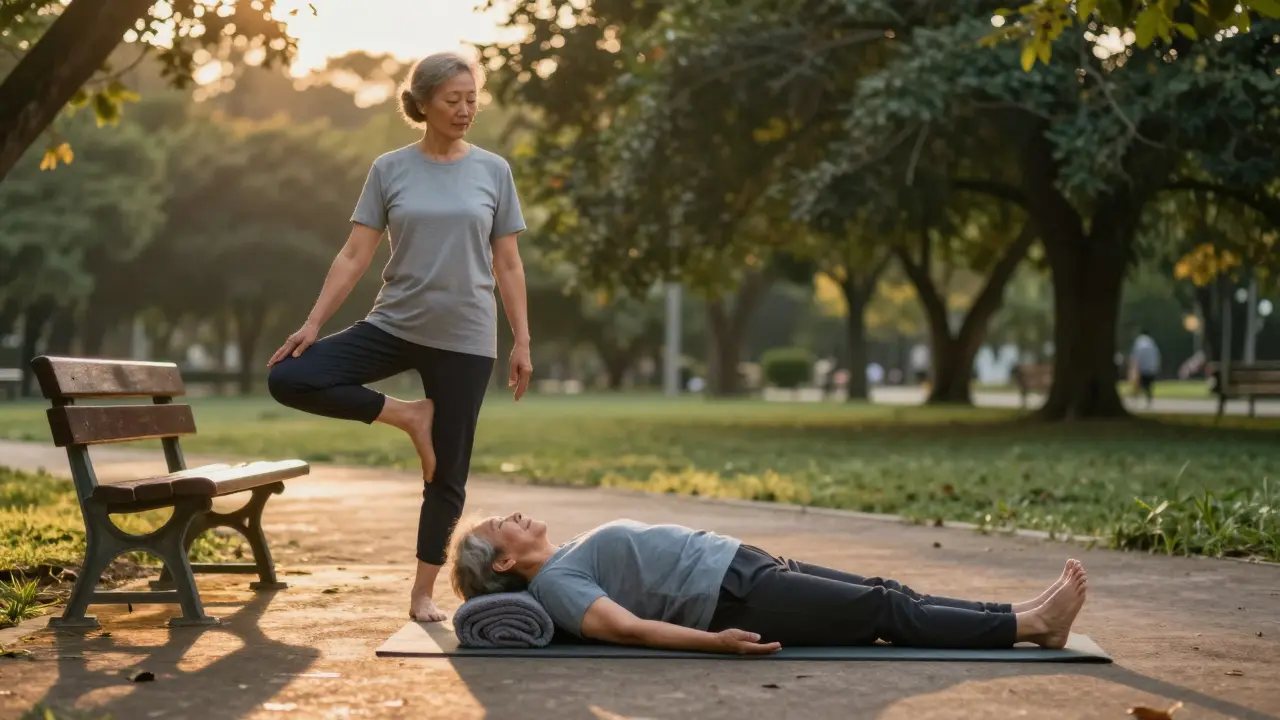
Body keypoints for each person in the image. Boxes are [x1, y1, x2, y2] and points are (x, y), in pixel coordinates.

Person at [265, 50, 532, 623]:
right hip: (394, 323)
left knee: (447, 473)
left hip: (466, 336)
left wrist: (522, 341)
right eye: (452, 100)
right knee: (289, 376)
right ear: (423, 104)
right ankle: (409, 416)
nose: (465, 110)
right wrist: (312, 323)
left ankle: (422, 593)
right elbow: (355, 252)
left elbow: (508, 264)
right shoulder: (390, 169)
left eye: (471, 99)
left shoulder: (493, 170)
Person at [449, 513, 1089, 655]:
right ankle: (1031, 627)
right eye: (503, 525)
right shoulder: (557, 583)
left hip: (744, 566)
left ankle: (1025, 612)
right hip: (734, 598)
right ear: (504, 563)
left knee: (884, 589)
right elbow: (626, 628)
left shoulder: (566, 554)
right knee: (882, 610)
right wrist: (717, 644)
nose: (516, 516)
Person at [1130, 329, 1161, 408]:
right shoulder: (1152, 343)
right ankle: (1149, 401)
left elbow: (1135, 356)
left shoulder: (1139, 342)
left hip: (1141, 367)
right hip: (1151, 368)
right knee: (1148, 386)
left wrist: (1133, 368)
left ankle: (1135, 401)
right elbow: (1156, 356)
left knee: (1138, 385)